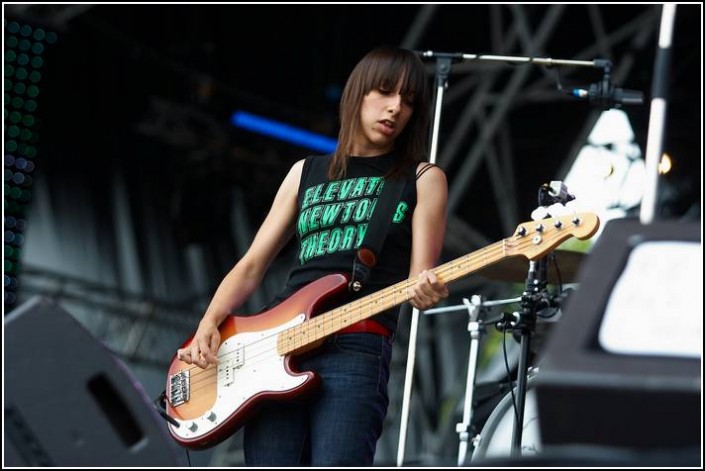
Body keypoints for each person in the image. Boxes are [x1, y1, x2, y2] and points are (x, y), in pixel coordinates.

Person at [177, 45, 449, 466]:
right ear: (357, 94)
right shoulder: (305, 172)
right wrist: (209, 322)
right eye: (384, 92)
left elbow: (420, 278)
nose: (396, 108)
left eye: (409, 101)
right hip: (277, 343)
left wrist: (426, 288)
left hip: (357, 345)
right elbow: (252, 265)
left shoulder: (422, 179)